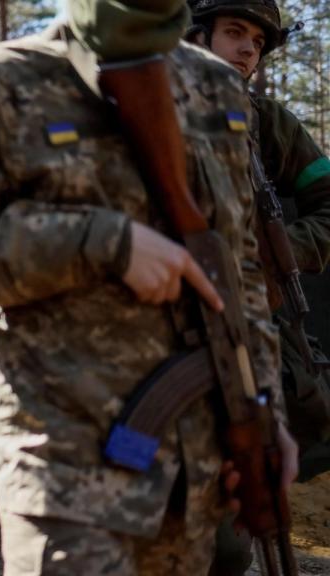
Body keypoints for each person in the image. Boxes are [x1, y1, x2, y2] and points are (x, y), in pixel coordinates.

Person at [0, 1, 298, 572]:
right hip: (65, 468)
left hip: (197, 468)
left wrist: (265, 409)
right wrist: (102, 243)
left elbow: (240, 273)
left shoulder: (216, 87)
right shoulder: (1, 81)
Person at [184, 1, 330, 573]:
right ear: (199, 35)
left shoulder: (271, 124)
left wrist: (278, 251)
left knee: (231, 539)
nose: (248, 49)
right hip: (165, 335)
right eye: (235, 33)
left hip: (254, 333)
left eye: (258, 42)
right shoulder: (150, 111)